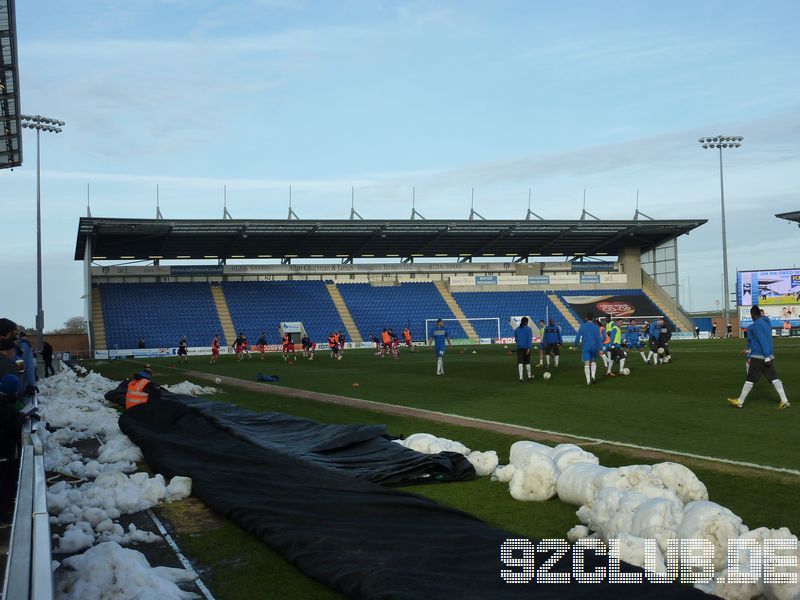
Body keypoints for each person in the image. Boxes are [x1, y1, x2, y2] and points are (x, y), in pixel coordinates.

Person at [729, 305, 790, 409]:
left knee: (750, 378)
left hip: (759, 356)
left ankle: (740, 401)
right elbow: (762, 340)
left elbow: (762, 340)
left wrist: (765, 356)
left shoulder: (756, 325)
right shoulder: (766, 323)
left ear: (752, 314)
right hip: (767, 356)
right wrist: (766, 355)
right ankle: (784, 400)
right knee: (774, 378)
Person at [573, 312, 604, 385]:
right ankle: (593, 376)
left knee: (587, 363)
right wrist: (601, 349)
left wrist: (575, 345)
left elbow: (578, 336)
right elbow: (599, 339)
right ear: (593, 318)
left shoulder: (582, 326)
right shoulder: (596, 327)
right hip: (594, 347)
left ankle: (588, 381)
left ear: (586, 318)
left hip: (586, 347)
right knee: (593, 361)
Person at [17, 330, 37, 397]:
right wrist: (31, 384)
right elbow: (27, 365)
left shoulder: (21, 345)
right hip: (19, 385)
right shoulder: (24, 344)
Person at [514, 316, 533, 382]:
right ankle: (529, 376)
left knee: (520, 362)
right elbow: (529, 340)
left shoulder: (517, 329)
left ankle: (521, 377)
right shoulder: (529, 329)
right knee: (527, 362)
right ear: (526, 322)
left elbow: (516, 339)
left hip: (519, 348)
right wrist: (529, 348)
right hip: (526, 348)